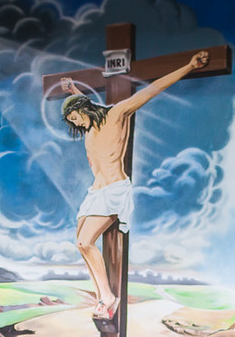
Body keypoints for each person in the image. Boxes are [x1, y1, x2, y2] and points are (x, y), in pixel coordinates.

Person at [60, 50, 209, 320]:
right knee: (80, 244)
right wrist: (72, 89)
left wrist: (188, 66)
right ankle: (102, 298)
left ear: (83, 110)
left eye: (75, 118)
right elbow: (86, 103)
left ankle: (108, 296)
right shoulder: (90, 131)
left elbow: (151, 90)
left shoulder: (117, 115)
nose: (76, 124)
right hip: (96, 192)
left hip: (114, 190)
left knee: (85, 241)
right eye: (72, 122)